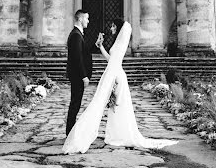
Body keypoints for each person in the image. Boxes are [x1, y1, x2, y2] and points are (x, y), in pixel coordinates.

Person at [63, 18, 178, 154]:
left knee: (102, 104)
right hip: (114, 74)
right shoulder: (118, 43)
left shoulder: (120, 44)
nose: (110, 29)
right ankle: (116, 135)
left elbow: (114, 62)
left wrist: (111, 79)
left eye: (112, 26)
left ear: (117, 28)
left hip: (115, 76)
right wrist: (101, 47)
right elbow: (111, 60)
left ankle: (97, 136)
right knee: (116, 108)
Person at [65, 9, 92, 136]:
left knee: (75, 103)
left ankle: (70, 132)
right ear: (80, 19)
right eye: (86, 18)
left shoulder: (77, 34)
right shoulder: (76, 35)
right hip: (77, 76)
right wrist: (84, 76)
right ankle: (69, 133)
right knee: (75, 104)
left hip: (77, 76)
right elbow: (77, 58)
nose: (88, 21)